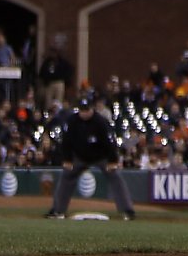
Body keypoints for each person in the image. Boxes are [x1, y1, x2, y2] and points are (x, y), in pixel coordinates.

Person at [45, 91, 135, 220]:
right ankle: (58, 211)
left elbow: (110, 142)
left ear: (92, 108)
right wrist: (67, 159)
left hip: (101, 156)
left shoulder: (100, 121)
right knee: (66, 176)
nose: (84, 113)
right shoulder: (73, 121)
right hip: (79, 157)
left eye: (87, 110)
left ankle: (128, 210)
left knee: (115, 176)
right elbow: (66, 142)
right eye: (82, 110)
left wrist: (112, 161)